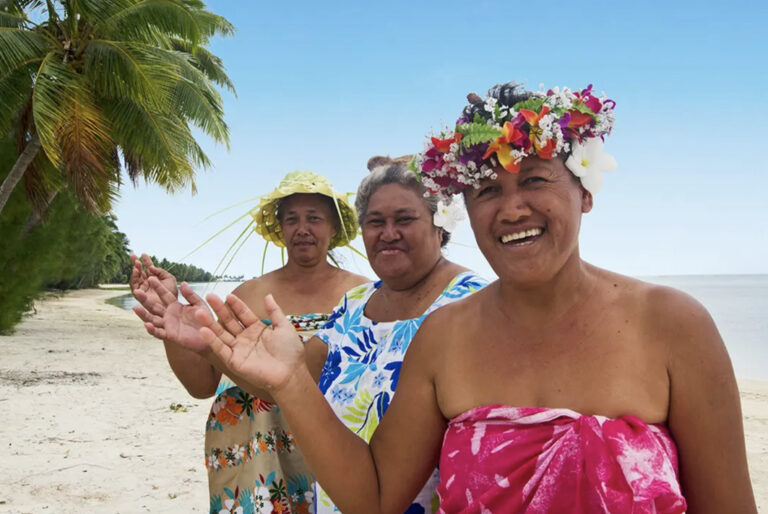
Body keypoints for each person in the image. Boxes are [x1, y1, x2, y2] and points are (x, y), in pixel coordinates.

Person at [199, 83, 757, 513]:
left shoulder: (672, 327)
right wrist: (292, 384)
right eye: (487, 189)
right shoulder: (445, 337)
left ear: (583, 191)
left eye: (536, 179)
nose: (512, 209)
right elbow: (373, 498)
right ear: (464, 209)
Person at [130, 170, 368, 513]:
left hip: (334, 445)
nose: (302, 228)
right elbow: (202, 385)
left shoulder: (361, 295)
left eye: (314, 218)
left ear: (334, 227)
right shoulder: (249, 295)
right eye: (292, 219)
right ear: (280, 228)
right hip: (254, 459)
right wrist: (172, 324)